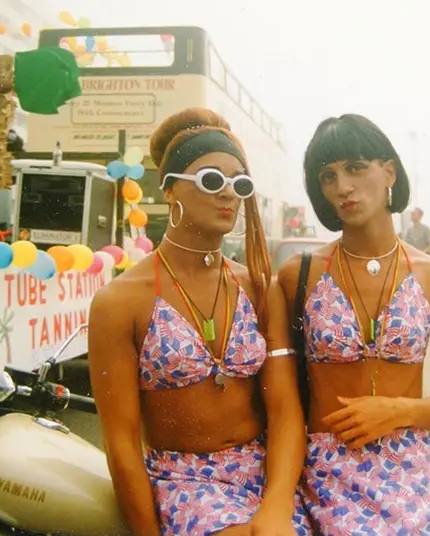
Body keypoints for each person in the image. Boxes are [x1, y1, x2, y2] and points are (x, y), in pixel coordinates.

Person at [88, 108, 311, 535]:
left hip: (268, 476)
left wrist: (276, 506)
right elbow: (121, 441)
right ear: (170, 190)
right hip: (185, 482)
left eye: (239, 183)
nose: (228, 194)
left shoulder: (258, 288)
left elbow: (284, 410)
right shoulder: (120, 302)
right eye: (211, 180)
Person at [278, 113, 430, 535]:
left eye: (355, 167)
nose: (342, 186)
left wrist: (399, 411)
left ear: (389, 171)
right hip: (325, 467)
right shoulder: (300, 274)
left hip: (412, 463)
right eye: (327, 175)